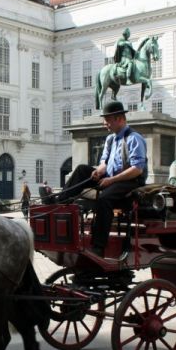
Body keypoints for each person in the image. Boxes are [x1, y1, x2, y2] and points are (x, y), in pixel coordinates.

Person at [56, 101, 147, 257]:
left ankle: (99, 246)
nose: (104, 123)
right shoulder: (111, 139)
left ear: (119, 119)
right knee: (82, 170)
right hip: (112, 178)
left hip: (130, 182)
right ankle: (59, 202)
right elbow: (105, 163)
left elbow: (137, 169)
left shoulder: (134, 138)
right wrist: (98, 171)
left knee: (104, 199)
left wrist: (111, 180)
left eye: (107, 120)